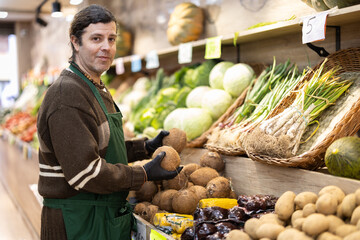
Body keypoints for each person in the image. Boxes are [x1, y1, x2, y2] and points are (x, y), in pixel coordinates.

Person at [36, 4, 182, 240]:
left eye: (111, 39)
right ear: (75, 42)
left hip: (97, 214)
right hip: (77, 221)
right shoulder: (68, 94)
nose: (107, 47)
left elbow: (96, 149)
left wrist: (143, 147)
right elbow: (86, 172)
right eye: (96, 39)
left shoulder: (92, 86)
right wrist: (142, 174)